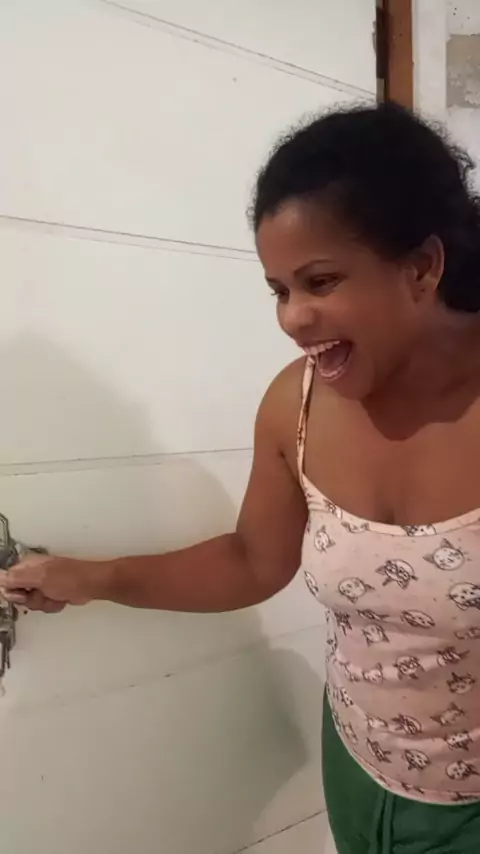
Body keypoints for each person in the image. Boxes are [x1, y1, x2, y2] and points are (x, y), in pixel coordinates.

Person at [4, 102, 480, 853]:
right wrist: (90, 578)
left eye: (321, 281)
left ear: (422, 267)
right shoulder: (297, 406)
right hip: (358, 768)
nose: (293, 318)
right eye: (279, 290)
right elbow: (254, 560)